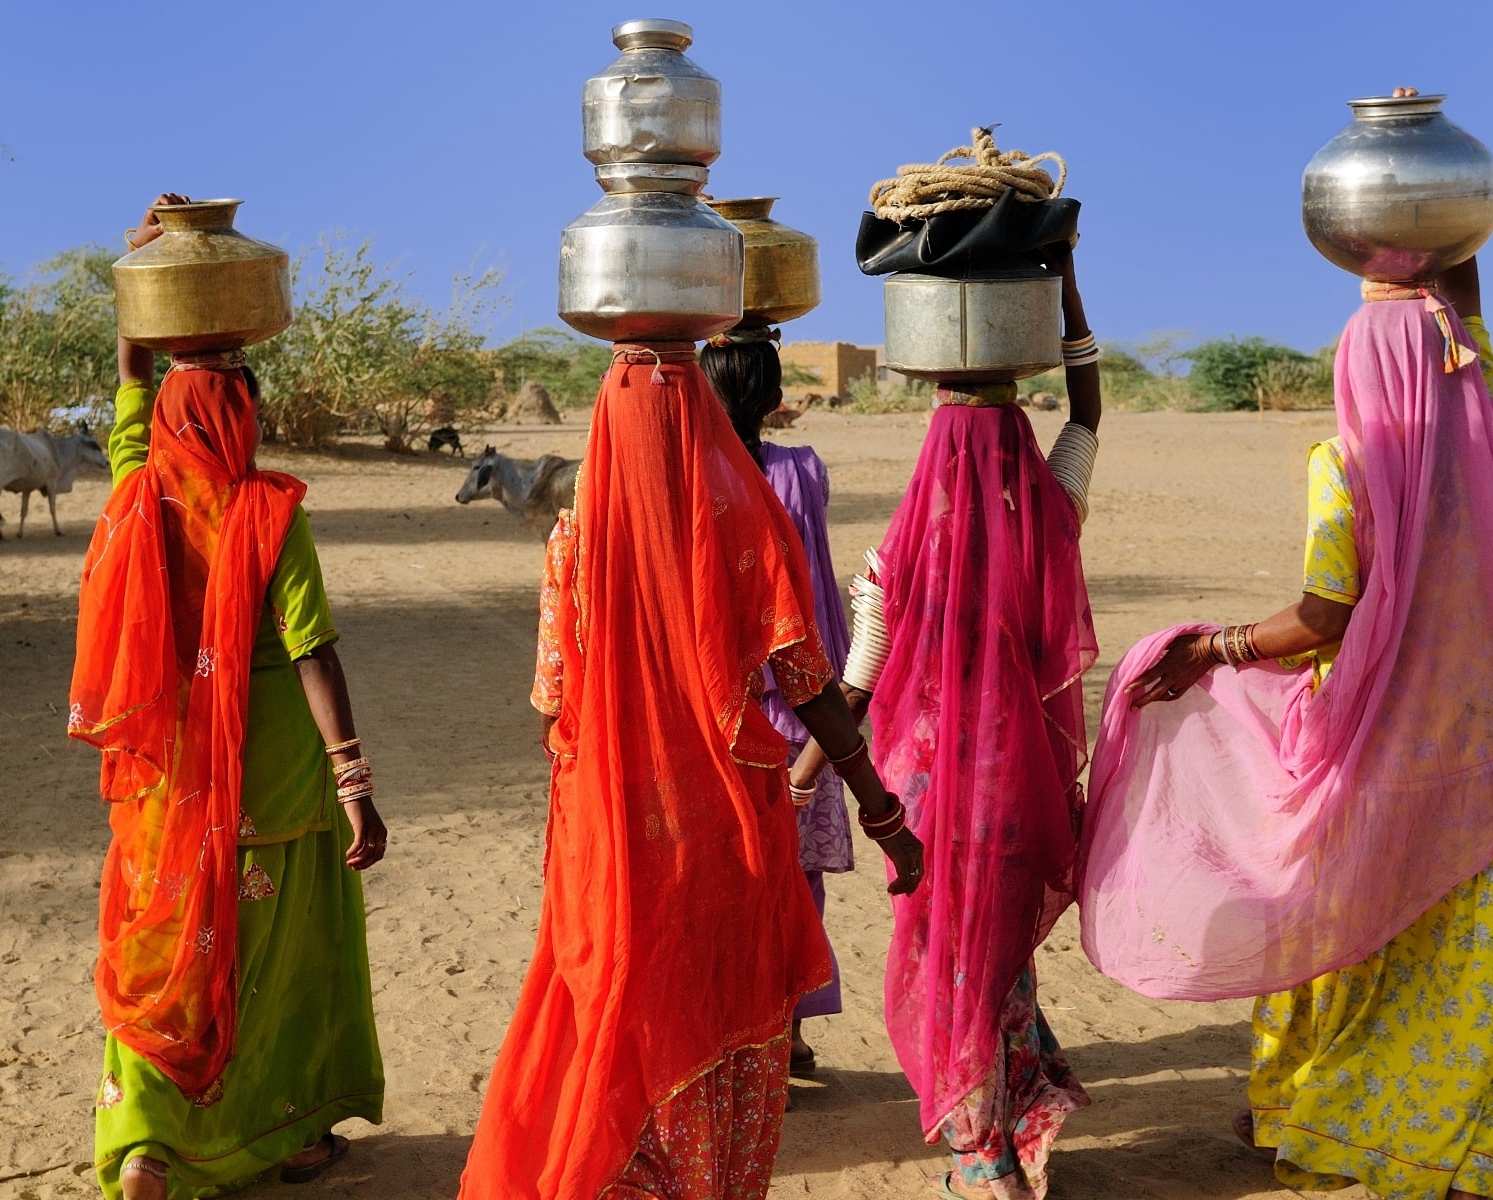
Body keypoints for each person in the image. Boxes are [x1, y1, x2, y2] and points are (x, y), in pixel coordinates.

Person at [1091, 233, 1493, 1200]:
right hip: (1475, 740)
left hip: (1369, 744)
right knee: (1457, 958)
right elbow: (1468, 336)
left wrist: (1214, 648)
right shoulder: (1477, 446)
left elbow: (1324, 615)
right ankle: (1433, 1143)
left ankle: (1313, 1114)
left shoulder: (1347, 464)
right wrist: (1443, 237)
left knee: (1345, 926)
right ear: (1451, 356)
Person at [458, 339, 924, 1200]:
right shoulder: (741, 514)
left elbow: (552, 705)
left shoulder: (572, 536)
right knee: (712, 1016)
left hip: (612, 826)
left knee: (623, 1004)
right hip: (729, 823)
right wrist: (883, 812)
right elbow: (809, 683)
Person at [70, 196, 387, 1200]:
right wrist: (353, 784)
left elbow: (131, 390)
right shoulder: (269, 513)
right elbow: (313, 654)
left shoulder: (135, 491)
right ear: (243, 419)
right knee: (276, 962)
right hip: (278, 782)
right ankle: (284, 1135)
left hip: (168, 782)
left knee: (167, 947)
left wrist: (146, 281)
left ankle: (149, 1146)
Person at [792, 252, 1103, 1200]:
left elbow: (852, 690)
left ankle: (983, 1159)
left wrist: (801, 775)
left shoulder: (893, 562)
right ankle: (1004, 1134)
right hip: (1019, 790)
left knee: (945, 965)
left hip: (923, 798)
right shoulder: (1056, 510)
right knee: (1000, 960)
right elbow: (1086, 413)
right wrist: (1065, 283)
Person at [699, 329, 854, 1076]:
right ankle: (788, 1028)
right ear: (772, 396)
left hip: (717, 711)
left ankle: (740, 1030)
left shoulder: (690, 470)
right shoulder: (801, 469)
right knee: (797, 877)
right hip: (799, 710)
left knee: (725, 877)